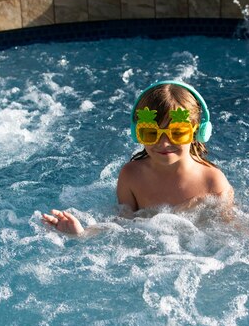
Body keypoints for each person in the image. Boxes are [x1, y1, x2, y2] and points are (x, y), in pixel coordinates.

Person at [42, 80, 233, 235]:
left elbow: (229, 231)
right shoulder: (131, 175)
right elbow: (121, 224)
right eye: (151, 133)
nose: (164, 143)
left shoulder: (212, 181)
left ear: (197, 132)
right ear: (137, 134)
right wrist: (83, 234)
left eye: (177, 133)